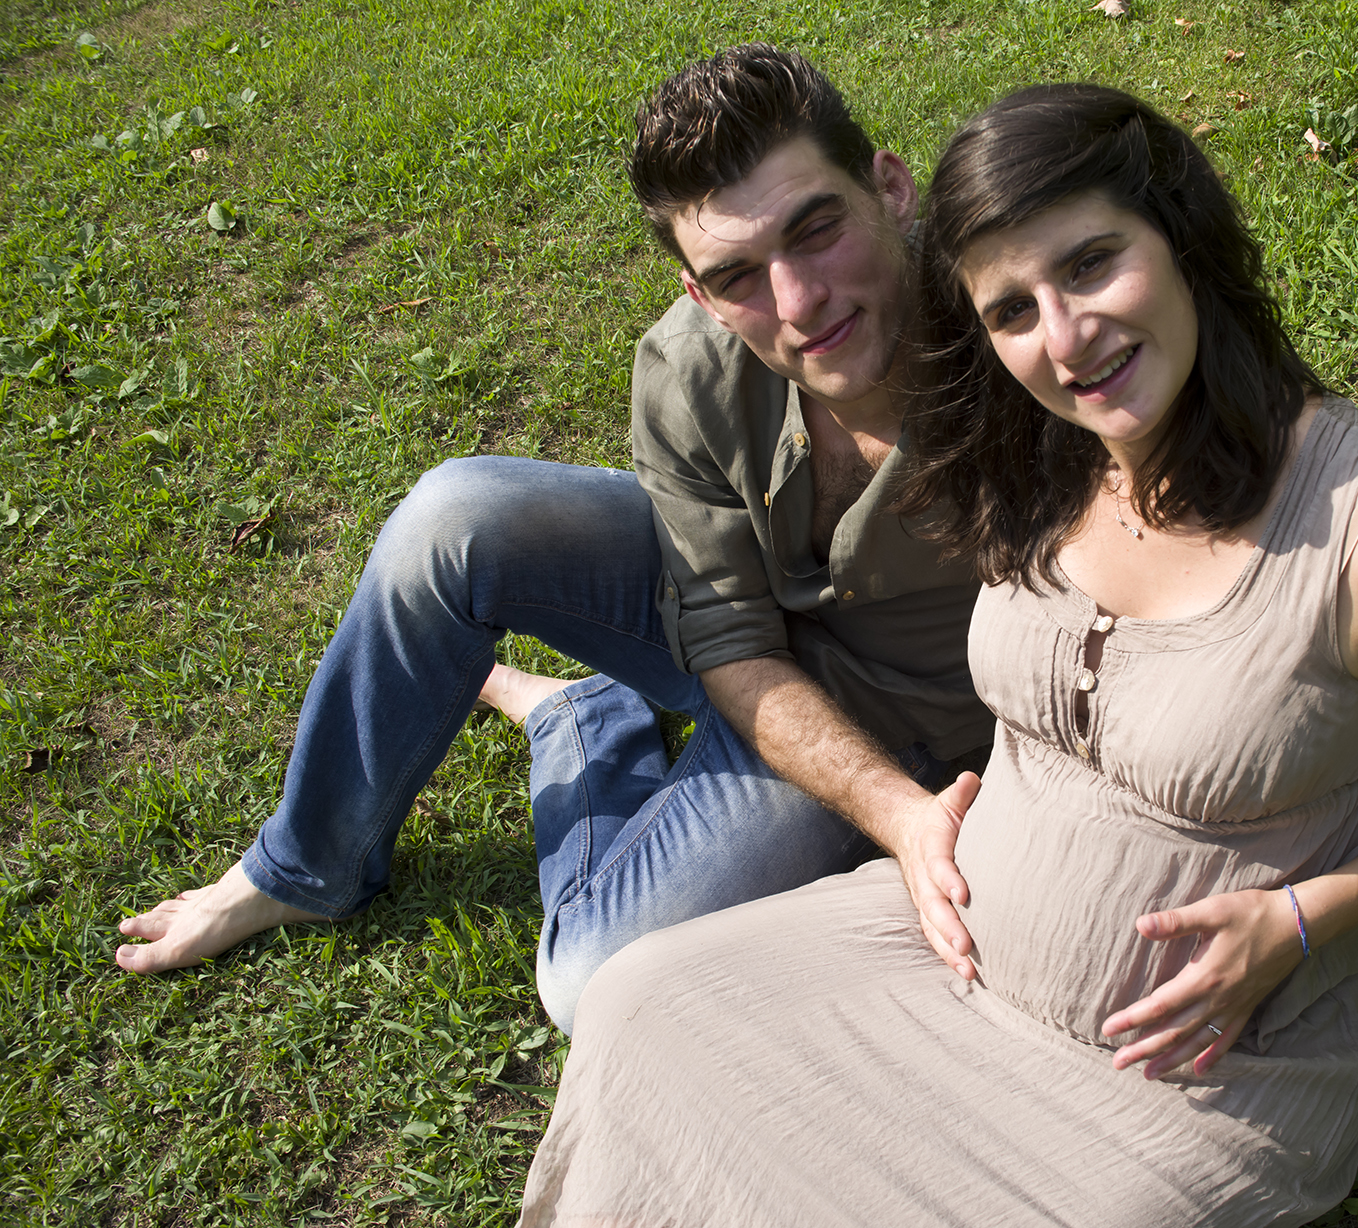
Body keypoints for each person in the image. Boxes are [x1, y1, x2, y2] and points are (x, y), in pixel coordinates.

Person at [516, 83, 1358, 1225]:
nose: (1065, 340)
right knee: (638, 1004)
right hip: (940, 948)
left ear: (1182, 237)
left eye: (1093, 264)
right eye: (1011, 310)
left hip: (1194, 1074)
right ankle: (580, 723)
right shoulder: (1044, 452)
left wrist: (1299, 918)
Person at [112, 45, 994, 1036]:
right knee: (454, 519)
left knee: (591, 981)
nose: (796, 303)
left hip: (894, 709)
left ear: (890, 185)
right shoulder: (689, 365)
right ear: (698, 292)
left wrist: (903, 814)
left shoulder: (1021, 345)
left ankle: (583, 723)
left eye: (816, 229)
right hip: (736, 626)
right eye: (737, 274)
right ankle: (307, 865)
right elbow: (728, 633)